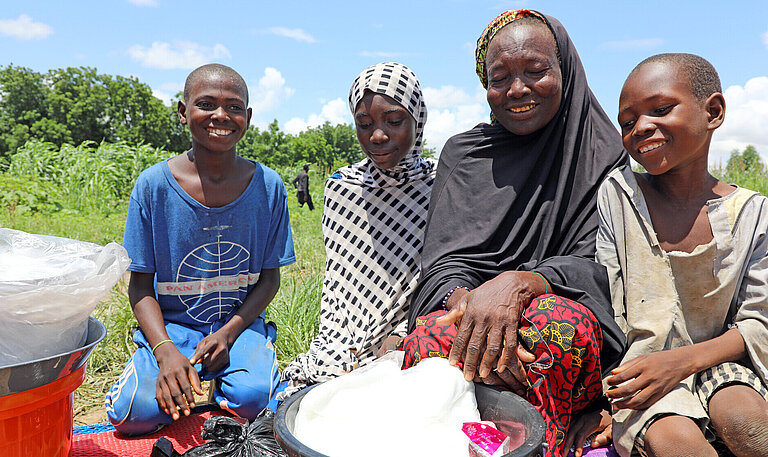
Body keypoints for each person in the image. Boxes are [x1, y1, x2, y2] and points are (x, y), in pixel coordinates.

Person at [401, 10, 627, 456]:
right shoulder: (465, 154)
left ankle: (547, 446)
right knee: (431, 338)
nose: (517, 90)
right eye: (499, 77)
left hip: (563, 321)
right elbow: (442, 263)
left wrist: (520, 284)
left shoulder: (603, 153)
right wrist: (466, 304)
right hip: (469, 316)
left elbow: (604, 268)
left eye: (536, 71)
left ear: (565, 68)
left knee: (554, 329)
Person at [105, 63, 296, 436]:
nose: (221, 116)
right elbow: (140, 287)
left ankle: (221, 382)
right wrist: (164, 350)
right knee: (134, 415)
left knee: (255, 401)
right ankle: (166, 371)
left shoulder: (269, 187)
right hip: (171, 329)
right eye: (206, 104)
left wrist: (228, 334)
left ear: (248, 117)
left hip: (238, 327)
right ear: (183, 112)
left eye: (234, 107)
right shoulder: (153, 187)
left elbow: (270, 280)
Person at [597, 53, 768, 457]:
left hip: (726, 363)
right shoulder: (618, 197)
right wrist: (603, 398)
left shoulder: (754, 214)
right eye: (627, 122)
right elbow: (606, 307)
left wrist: (680, 362)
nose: (641, 127)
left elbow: (758, 324)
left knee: (746, 419)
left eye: (660, 109)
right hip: (639, 373)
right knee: (676, 441)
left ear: (713, 111)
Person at [278, 62, 435, 399]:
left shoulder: (440, 187)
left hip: (417, 335)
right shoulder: (342, 189)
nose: (377, 136)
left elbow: (441, 278)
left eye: (394, 122)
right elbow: (337, 284)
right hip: (343, 337)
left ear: (417, 120)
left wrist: (403, 335)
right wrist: (340, 346)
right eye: (364, 124)